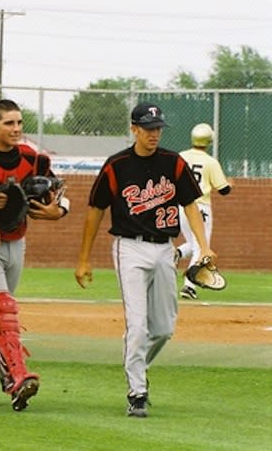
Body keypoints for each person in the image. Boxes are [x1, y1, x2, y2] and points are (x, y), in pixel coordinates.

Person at [74, 102, 216, 418]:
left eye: (158, 128)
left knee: (164, 328)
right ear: (134, 129)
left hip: (165, 248)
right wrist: (83, 259)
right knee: (137, 325)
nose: (154, 134)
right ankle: (136, 391)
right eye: (148, 128)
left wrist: (203, 246)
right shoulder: (117, 165)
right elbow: (95, 211)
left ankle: (137, 365)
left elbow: (191, 205)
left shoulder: (173, 162)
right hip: (129, 247)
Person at [0, 99, 70, 411]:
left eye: (19, 123)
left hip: (16, 241)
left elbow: (59, 194)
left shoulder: (32, 159)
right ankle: (16, 377)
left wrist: (56, 210)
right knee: (3, 307)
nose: (16, 129)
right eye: (9, 123)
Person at [176, 123, 232, 300]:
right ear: (209, 141)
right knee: (201, 247)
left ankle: (176, 254)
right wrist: (229, 184)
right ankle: (189, 286)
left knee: (194, 244)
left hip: (180, 205)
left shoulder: (180, 157)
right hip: (201, 207)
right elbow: (223, 190)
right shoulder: (210, 161)